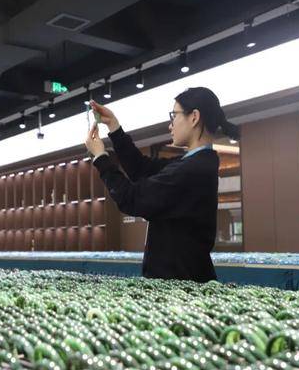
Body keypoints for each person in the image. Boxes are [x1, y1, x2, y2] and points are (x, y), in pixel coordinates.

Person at [85, 87, 239, 282]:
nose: (170, 125)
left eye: (174, 116)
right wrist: (114, 127)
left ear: (194, 117)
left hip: (181, 286)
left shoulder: (192, 170)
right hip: (185, 279)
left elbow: (132, 199)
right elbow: (141, 168)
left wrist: (100, 158)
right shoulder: (193, 164)